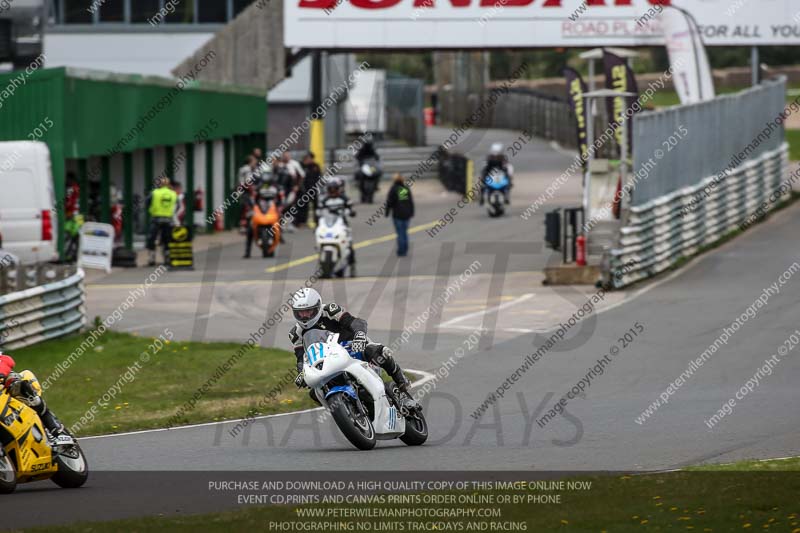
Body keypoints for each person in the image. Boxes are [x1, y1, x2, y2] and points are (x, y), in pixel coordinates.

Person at [289, 288, 420, 412]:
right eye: (301, 312)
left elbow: (356, 322)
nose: (305, 316)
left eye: (308, 311)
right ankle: (345, 410)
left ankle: (402, 388)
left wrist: (360, 335)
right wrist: (301, 373)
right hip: (326, 359)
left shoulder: (330, 310)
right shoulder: (296, 334)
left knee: (379, 352)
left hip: (351, 346)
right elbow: (301, 358)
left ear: (317, 306)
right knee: (314, 392)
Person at [0, 353, 67, 437]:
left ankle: (54, 427)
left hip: (3, 382)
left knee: (18, 387)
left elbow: (6, 360)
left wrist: (1, 373)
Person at [317, 177, 356, 277]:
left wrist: (351, 212)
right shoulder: (325, 200)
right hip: (329, 224)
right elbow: (319, 211)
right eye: (331, 189)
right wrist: (318, 217)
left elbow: (351, 209)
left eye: (335, 189)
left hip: (342, 224)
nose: (333, 192)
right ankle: (322, 268)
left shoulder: (344, 199)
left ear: (339, 189)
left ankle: (352, 267)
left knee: (350, 245)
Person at [146, 177, 178, 266]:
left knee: (151, 238)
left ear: (159, 184)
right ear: (168, 184)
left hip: (156, 219)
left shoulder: (154, 193)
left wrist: (151, 210)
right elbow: (177, 206)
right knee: (167, 239)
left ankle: (151, 259)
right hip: (168, 220)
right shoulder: (173, 194)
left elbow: (147, 202)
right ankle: (167, 258)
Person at [385, 173, 414, 257]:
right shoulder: (404, 189)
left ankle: (401, 250)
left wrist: (387, 212)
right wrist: (411, 212)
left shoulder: (394, 189)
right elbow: (408, 202)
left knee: (400, 233)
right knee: (404, 232)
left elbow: (390, 202)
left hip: (398, 214)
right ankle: (405, 248)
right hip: (406, 214)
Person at [300, 152, 322, 227]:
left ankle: (316, 221)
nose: (308, 160)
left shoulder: (315, 166)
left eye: (309, 158)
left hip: (313, 189)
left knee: (315, 206)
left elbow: (319, 177)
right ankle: (303, 222)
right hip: (305, 189)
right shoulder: (303, 166)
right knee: (304, 206)